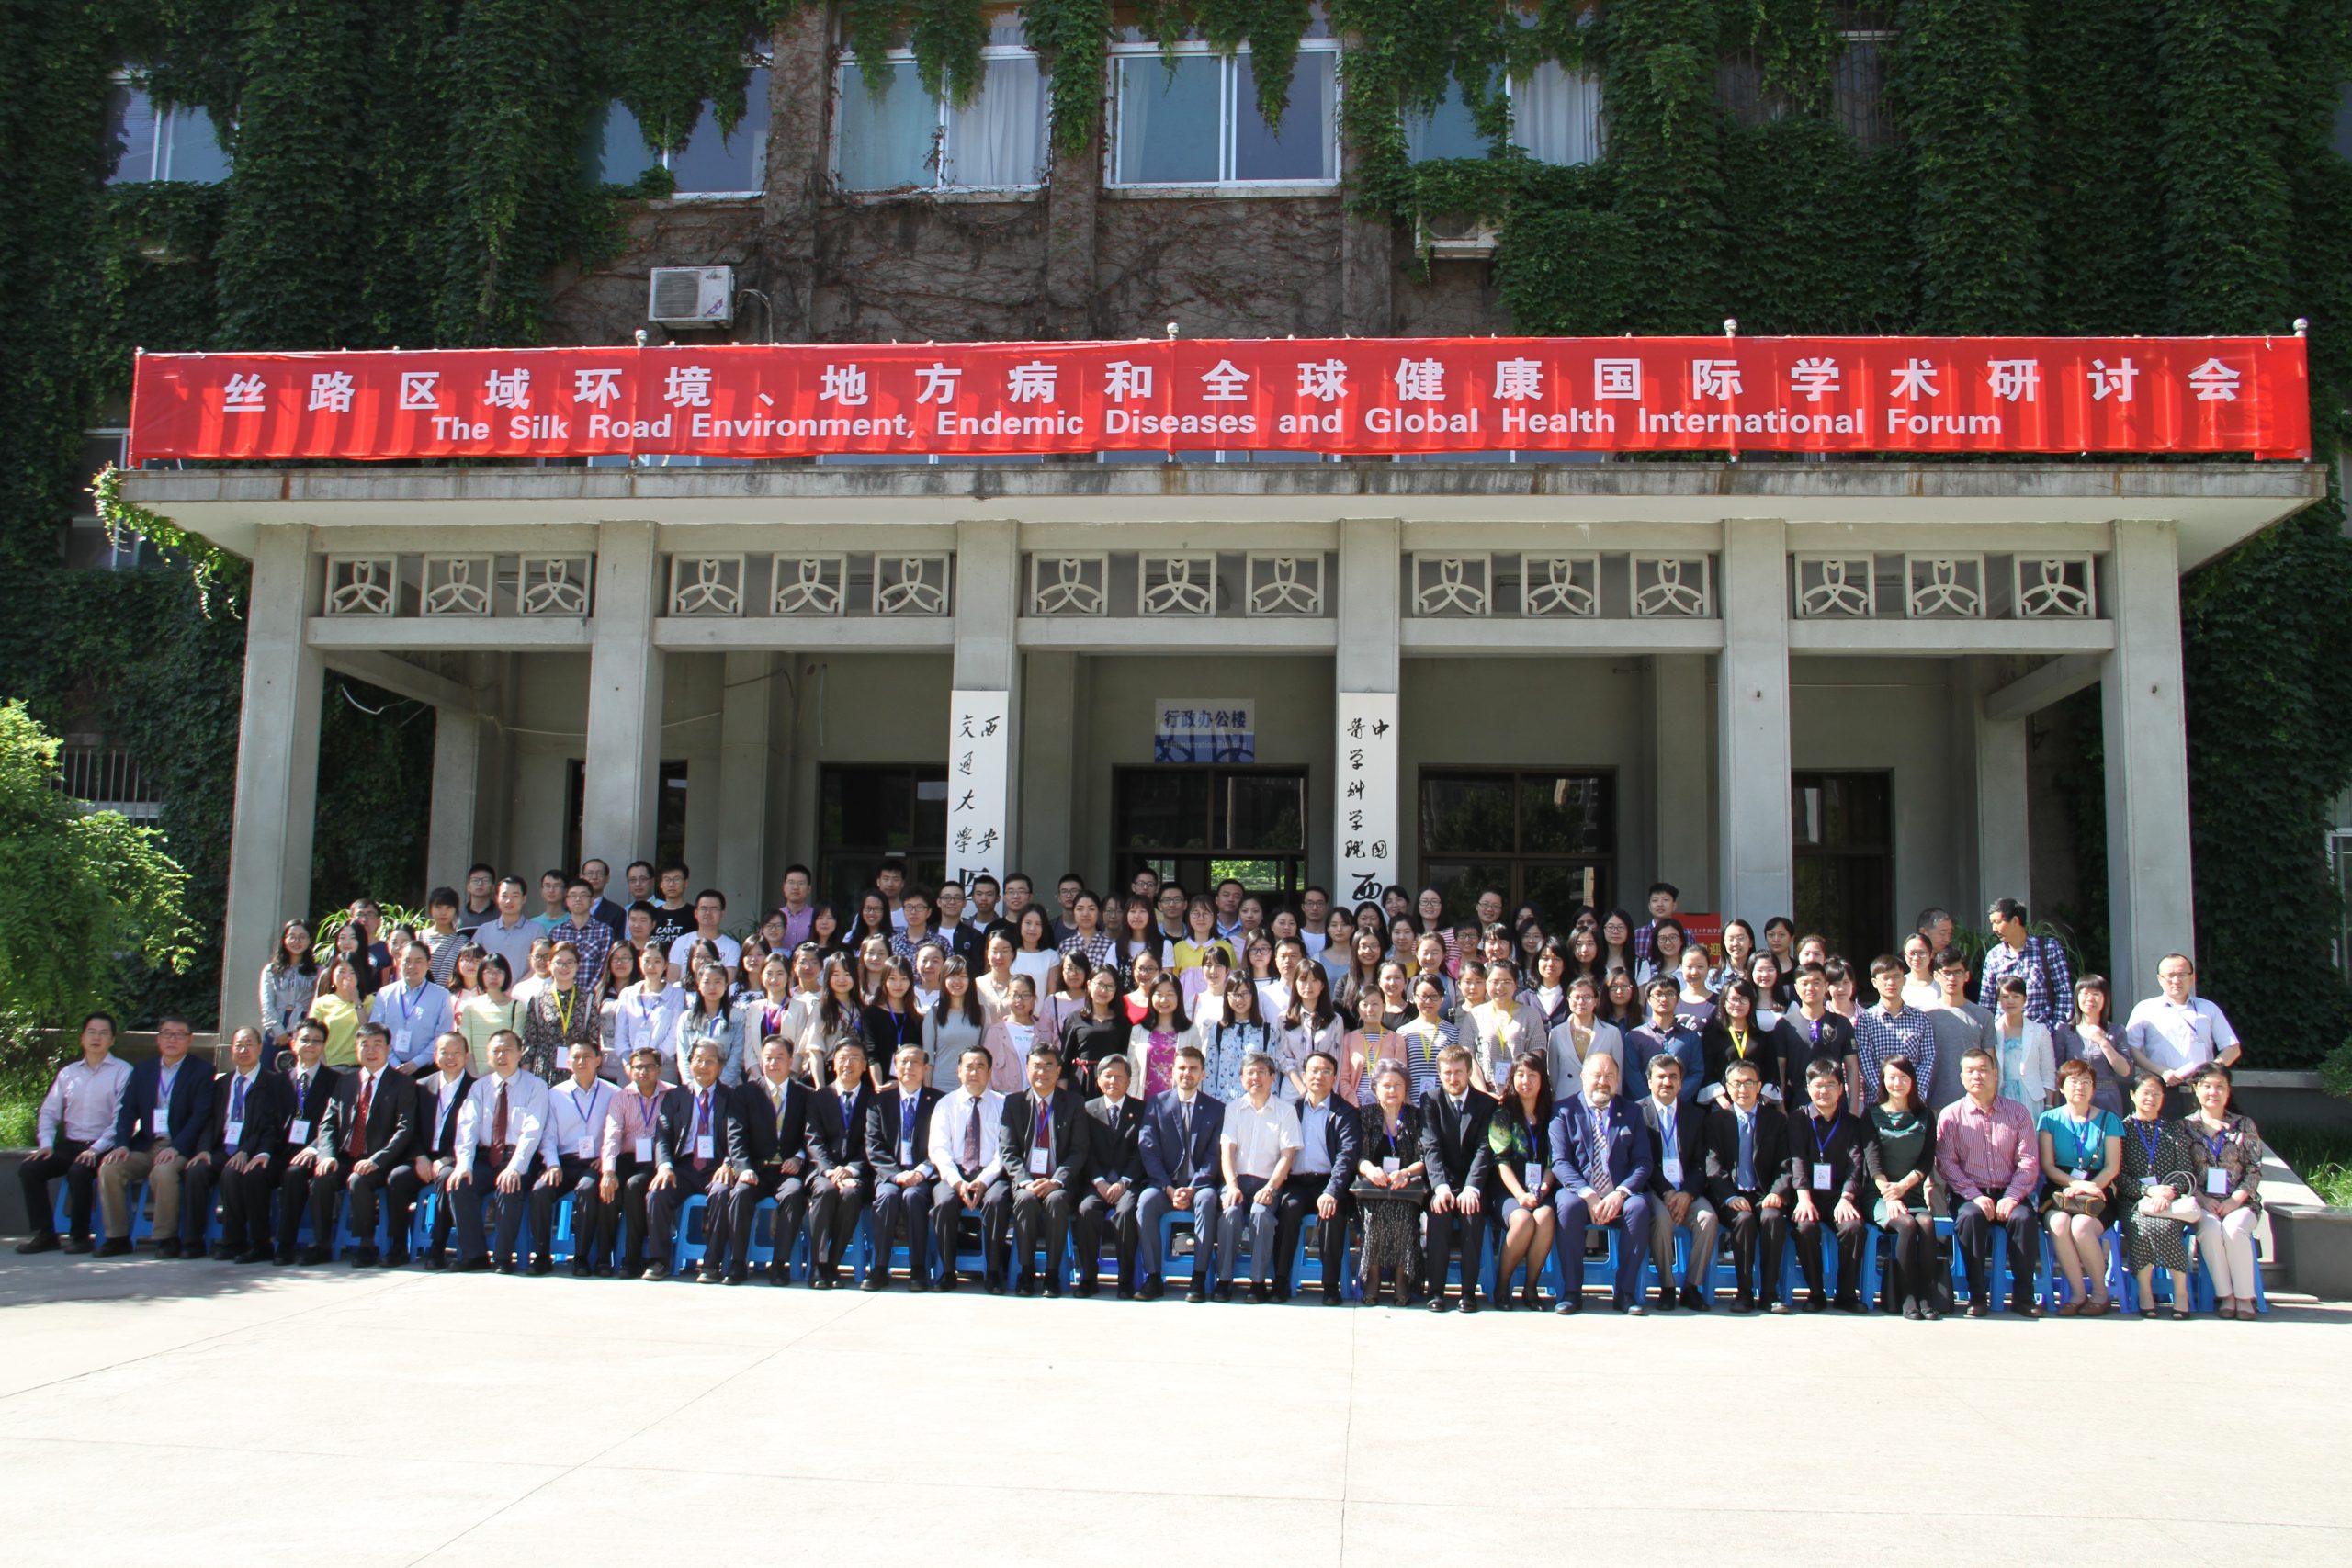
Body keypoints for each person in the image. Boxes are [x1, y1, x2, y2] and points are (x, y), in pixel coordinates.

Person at [286, 1021, 418, 1266]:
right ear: (357, 1049)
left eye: (377, 1045)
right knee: (321, 1179)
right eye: (364, 1045)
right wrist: (327, 1155)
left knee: (360, 1181)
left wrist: (376, 1160)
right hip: (347, 1156)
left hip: (382, 1160)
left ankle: (365, 1245)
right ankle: (321, 1244)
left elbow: (404, 1129)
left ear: (388, 1049)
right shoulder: (346, 1082)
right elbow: (327, 1123)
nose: (371, 1050)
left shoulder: (403, 1084)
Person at [1934, 1045, 2042, 1317]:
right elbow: (1946, 1163)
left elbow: (2028, 1161)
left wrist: (2012, 1195)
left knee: (2024, 1219)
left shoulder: (2018, 1113)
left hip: (2010, 1192)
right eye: (1970, 1071)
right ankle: (1977, 1296)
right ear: (1961, 1078)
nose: (1977, 1076)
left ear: (1996, 1074)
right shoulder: (1951, 1115)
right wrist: (1974, 1195)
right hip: (1969, 1194)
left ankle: (2023, 1297)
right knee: (1970, 1218)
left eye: (1983, 1070)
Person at [95, 1016, 212, 1257]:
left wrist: (177, 1147)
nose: (172, 1039)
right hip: (147, 1144)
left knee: (164, 1172)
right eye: (167, 1033)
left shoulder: (201, 1071)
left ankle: (166, 1238)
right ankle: (117, 1237)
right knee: (110, 1168)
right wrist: (122, 1144)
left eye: (179, 1034)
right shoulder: (143, 1070)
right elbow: (127, 1111)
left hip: (180, 1145)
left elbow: (200, 1117)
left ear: (189, 1040)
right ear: (158, 1039)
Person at [1547, 1052, 1651, 1315]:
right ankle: (1572, 1292)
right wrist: (1589, 1195)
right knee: (1567, 1206)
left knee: (1638, 1208)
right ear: (1583, 1077)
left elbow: (1643, 1162)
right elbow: (1560, 1162)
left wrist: (1620, 1193)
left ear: (1618, 1081)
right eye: (1597, 1075)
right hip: (1580, 1193)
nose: (1603, 1082)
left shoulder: (1632, 1112)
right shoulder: (1563, 1111)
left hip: (1619, 1192)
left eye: (1609, 1076)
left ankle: (1625, 1293)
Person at [447, 1030, 548, 1273]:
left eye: (507, 1050)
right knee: (460, 1184)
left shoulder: (536, 1086)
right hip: (485, 1155)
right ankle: (474, 1254)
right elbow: (467, 1127)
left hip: (518, 1157)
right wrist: (464, 1164)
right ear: (488, 1056)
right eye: (496, 1051)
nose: (501, 1055)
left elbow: (532, 1131)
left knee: (510, 1185)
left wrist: (515, 1167)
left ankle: (503, 1257)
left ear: (520, 1052)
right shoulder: (479, 1088)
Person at [716, 1037, 811, 1285]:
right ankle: (737, 1263)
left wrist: (800, 1158)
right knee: (739, 1194)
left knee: (794, 1194)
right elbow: (735, 1135)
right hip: (756, 1169)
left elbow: (812, 1136)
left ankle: (779, 1265)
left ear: (791, 1061)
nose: (773, 1062)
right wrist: (744, 1168)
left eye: (779, 1057)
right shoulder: (746, 1092)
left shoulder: (805, 1095)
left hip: (787, 1172)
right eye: (768, 1057)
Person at [1702, 1059, 1792, 1314]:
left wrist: (1776, 1193)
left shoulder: (1776, 1121)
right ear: (1728, 1088)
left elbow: (1786, 1165)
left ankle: (1770, 1293)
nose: (1743, 1089)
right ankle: (1743, 1293)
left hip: (1764, 1193)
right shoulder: (1717, 1121)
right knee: (1743, 1220)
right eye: (1737, 1084)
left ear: (1759, 1086)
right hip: (1732, 1195)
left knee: (1773, 1218)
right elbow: (1713, 1165)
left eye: (1749, 1083)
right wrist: (1729, 1197)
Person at [1136, 1044, 1226, 1303]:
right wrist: (1167, 1187)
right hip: (1165, 1185)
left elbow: (1214, 1156)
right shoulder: (1156, 1104)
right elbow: (1148, 1149)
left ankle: (1198, 1278)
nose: (1187, 1073)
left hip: (1199, 1186)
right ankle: (1153, 1277)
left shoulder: (1216, 1109)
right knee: (1145, 1202)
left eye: (1193, 1069)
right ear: (1172, 1072)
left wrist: (1193, 1188)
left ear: (1203, 1074)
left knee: (1208, 1201)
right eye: (1182, 1068)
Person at [639, 1040, 734, 1281]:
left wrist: (728, 1163)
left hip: (716, 1167)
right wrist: (664, 1166)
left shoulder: (732, 1097)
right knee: (656, 1193)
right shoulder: (675, 1097)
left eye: (710, 1061)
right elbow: (662, 1135)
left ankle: (711, 1264)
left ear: (721, 1066)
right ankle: (659, 1261)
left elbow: (739, 1136)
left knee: (723, 1193)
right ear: (690, 1063)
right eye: (698, 1060)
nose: (703, 1066)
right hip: (683, 1166)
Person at [1214, 1051, 1302, 1302]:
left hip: (1267, 1182)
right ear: (1241, 1079)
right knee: (1230, 1213)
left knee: (1261, 1215)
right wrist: (1231, 1186)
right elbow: (1227, 1151)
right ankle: (1224, 1280)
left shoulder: (1286, 1111)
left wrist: (1272, 1188)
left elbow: (1287, 1156)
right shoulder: (1233, 1109)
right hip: (1238, 1180)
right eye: (1250, 1073)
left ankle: (1258, 1282)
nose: (1256, 1078)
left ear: (1273, 1077)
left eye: (1261, 1072)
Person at [2036, 1058, 2122, 1314]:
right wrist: (2074, 1184)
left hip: (2099, 1189)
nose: (2080, 1087)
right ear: (2061, 1087)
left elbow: (2112, 1167)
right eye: (2073, 1081)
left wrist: (2088, 1187)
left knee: (2082, 1226)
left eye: (2086, 1082)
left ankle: (2099, 1292)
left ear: (2094, 1088)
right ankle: (2077, 1293)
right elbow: (2048, 1165)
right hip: (2059, 1188)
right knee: (2060, 1224)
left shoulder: (2109, 1120)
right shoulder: (2048, 1119)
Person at [997, 1043, 1085, 1296]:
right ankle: (1026, 1272)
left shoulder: (1074, 1103)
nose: (1042, 1072)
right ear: (1027, 1069)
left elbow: (1079, 1150)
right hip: (1026, 1181)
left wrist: (1057, 1180)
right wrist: (1025, 1181)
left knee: (1056, 1201)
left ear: (1059, 1071)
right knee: (1024, 1201)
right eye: (1037, 1066)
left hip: (1058, 1182)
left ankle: (1052, 1274)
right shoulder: (1014, 1103)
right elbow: (1008, 1151)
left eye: (1049, 1066)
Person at [1272, 1049, 1357, 1306]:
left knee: (1333, 1213)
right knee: (1288, 1209)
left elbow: (1347, 1157)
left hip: (1329, 1182)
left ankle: (1330, 1285)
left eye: (1326, 1071)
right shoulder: (1290, 1110)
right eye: (1314, 1071)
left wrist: (1332, 1191)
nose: (1319, 1076)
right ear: (1304, 1075)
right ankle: (1280, 1281)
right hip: (1296, 1182)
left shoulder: (1346, 1113)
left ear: (1334, 1078)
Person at [386, 1032, 477, 1269]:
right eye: (444, 1052)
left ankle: (437, 1247)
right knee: (397, 1178)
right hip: (421, 1156)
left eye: (456, 1052)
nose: (450, 1057)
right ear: (435, 1056)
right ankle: (397, 1245)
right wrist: (419, 1157)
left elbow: (473, 1132)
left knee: (447, 1178)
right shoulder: (420, 1086)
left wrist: (446, 1159)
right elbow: (408, 1127)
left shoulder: (476, 1088)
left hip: (453, 1158)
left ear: (466, 1056)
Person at [1785, 1056, 1869, 1313]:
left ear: (1841, 1089)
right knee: (1805, 1227)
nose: (1824, 1091)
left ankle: (1846, 1294)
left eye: (1831, 1085)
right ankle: (1816, 1293)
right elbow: (1796, 1159)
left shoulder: (1852, 1122)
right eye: (1818, 1085)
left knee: (1854, 1227)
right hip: (1806, 1194)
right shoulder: (1798, 1119)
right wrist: (1804, 1198)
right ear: (1808, 1088)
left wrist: (1847, 1198)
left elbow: (1857, 1163)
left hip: (1838, 1195)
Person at [1861, 1055, 1941, 1320]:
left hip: (1912, 1191)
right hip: (1879, 1193)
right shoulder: (1872, 1114)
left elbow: (1926, 1159)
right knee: (1906, 1224)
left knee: (1927, 1224)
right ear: (1883, 1081)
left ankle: (1925, 1294)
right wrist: (1889, 1193)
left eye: (1903, 1077)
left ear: (1912, 1080)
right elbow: (1871, 1160)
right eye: (1892, 1077)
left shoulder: (1925, 1115)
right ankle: (1908, 1296)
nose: (1897, 1083)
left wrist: (1904, 1187)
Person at [1419, 1044, 1497, 1314]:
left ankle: (1468, 1293)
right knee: (1438, 1216)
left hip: (1473, 1182)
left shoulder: (1486, 1104)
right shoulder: (1430, 1100)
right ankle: (1436, 1291)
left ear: (1469, 1072)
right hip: (1443, 1181)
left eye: (1459, 1073)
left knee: (1472, 1218)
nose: (1453, 1078)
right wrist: (1440, 1187)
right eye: (1448, 1073)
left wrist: (1472, 1188)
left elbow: (1485, 1148)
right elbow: (1431, 1146)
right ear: (1440, 1074)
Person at [2183, 1064, 2265, 1319]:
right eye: (2206, 1086)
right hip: (2203, 1202)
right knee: (2210, 1229)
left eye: (2220, 1086)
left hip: (2241, 1202)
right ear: (2195, 1089)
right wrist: (2202, 1199)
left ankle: (2244, 1298)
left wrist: (2235, 1200)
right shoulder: (2184, 1127)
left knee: (2233, 1229)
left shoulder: (2243, 1124)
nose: (2213, 1092)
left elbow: (2254, 1169)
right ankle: (2226, 1296)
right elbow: (2183, 1172)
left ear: (2228, 1091)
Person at [927, 1044, 1011, 1292]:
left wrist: (984, 1180)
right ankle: (948, 1271)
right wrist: (957, 1182)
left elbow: (1004, 1151)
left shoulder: (1003, 1104)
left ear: (990, 1072)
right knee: (943, 1202)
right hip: (955, 1174)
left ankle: (994, 1272)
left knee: (997, 1202)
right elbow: (938, 1150)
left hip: (991, 1175)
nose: (974, 1072)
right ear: (959, 1072)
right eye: (969, 1067)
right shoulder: (945, 1104)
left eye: (980, 1067)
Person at [174, 1027, 262, 1260]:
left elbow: (268, 1126)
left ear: (260, 1048)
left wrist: (246, 1151)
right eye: (238, 1045)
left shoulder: (269, 1083)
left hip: (249, 1150)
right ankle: (192, 1241)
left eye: (248, 1044)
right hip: (222, 1147)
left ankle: (233, 1241)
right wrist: (203, 1150)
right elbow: (210, 1121)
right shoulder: (222, 1084)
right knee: (195, 1171)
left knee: (232, 1174)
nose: (243, 1050)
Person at [2116, 1070, 2199, 1319]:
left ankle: (2181, 1293)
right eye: (2145, 1093)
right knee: (2143, 1226)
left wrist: (2169, 1192)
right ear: (2132, 1095)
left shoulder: (2173, 1131)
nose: (2150, 1098)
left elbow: (2185, 1170)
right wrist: (2146, 1191)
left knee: (2166, 1226)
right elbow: (2117, 1174)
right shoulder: (2122, 1130)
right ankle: (2145, 1291)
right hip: (2134, 1201)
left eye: (2156, 1093)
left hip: (2168, 1201)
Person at [1637, 1053, 1715, 1313]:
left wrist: (1688, 1194)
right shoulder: (1637, 1113)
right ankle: (1667, 1287)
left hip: (1688, 1191)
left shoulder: (1696, 1115)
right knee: (1660, 1219)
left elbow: (1703, 1162)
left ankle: (1692, 1287)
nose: (1667, 1082)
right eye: (1660, 1077)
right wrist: (1668, 1192)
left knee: (1708, 1218)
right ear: (1649, 1082)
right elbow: (1642, 1161)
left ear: (1681, 1083)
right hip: (1655, 1191)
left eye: (1673, 1077)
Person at [863, 1043, 943, 1291]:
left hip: (923, 1176)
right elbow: (873, 1145)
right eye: (903, 1062)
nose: (909, 1067)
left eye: (915, 1062)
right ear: (895, 1067)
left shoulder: (938, 1101)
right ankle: (879, 1267)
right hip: (890, 1175)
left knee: (914, 1197)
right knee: (886, 1197)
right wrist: (896, 1175)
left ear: (926, 1068)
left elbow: (943, 1143)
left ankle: (917, 1269)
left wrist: (922, 1171)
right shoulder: (879, 1102)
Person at [533, 1038, 616, 1277]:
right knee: (540, 1190)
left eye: (587, 1057)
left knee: (588, 1189)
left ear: (598, 1061)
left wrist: (607, 1158)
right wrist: (552, 1164)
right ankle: (541, 1256)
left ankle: (581, 1257)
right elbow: (547, 1135)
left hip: (594, 1163)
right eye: (576, 1058)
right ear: (567, 1062)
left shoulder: (613, 1093)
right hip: (563, 1161)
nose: (581, 1062)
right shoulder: (555, 1094)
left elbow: (617, 1132)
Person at [264, 1021, 342, 1263]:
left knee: (294, 1174)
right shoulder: (277, 1081)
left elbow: (337, 1122)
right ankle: (257, 1242)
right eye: (305, 1039)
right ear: (293, 1042)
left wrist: (314, 1147)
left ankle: (285, 1245)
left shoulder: (336, 1081)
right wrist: (263, 1153)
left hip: (313, 1151)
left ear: (323, 1046)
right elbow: (267, 1122)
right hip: (281, 1149)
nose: (310, 1045)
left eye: (316, 1040)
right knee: (254, 1174)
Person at [1352, 1061, 1427, 1306]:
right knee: (1374, 1214)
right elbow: (1357, 1156)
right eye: (1386, 1086)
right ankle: (1372, 1275)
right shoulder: (1366, 1115)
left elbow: (1425, 1158)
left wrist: (1406, 1172)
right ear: (1375, 1088)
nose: (1392, 1090)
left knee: (1404, 1213)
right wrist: (1370, 1169)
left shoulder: (1416, 1117)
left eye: (1398, 1085)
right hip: (1373, 1188)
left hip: (1405, 1189)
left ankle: (1402, 1277)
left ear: (1406, 1088)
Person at [1486, 1050, 1556, 1312]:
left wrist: (1545, 1187)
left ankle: (1531, 1287)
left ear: (1542, 1080)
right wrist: (1520, 1196)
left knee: (1545, 1216)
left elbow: (1555, 1161)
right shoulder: (1503, 1114)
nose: (1525, 1081)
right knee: (1523, 1219)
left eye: (1532, 1075)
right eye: (1520, 1075)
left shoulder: (1552, 1114)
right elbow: (1501, 1161)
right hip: (1508, 1189)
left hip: (1541, 1187)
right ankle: (1503, 1286)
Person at [2125, 953, 2243, 1106]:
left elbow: (2232, 1048)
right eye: (2170, 975)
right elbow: (2131, 1049)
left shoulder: (2208, 1008)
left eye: (2182, 974)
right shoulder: (2145, 1009)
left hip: (2201, 1089)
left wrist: (2209, 1072)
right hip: (2162, 1088)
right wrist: (2162, 1072)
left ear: (2192, 977)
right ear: (2160, 979)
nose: (2176, 980)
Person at [803, 1040, 875, 1289]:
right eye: (843, 1057)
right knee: (825, 1191)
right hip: (825, 1170)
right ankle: (818, 1265)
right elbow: (813, 1139)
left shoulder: (873, 1099)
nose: (848, 1063)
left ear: (864, 1065)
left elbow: (873, 1143)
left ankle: (832, 1263)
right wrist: (831, 1170)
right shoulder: (819, 1097)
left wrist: (853, 1168)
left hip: (859, 1172)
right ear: (833, 1064)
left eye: (855, 1057)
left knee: (851, 1193)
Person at [1075, 1053, 1145, 1299]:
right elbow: (1084, 1150)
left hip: (1128, 1184)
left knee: (1126, 1213)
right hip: (1097, 1183)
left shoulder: (1142, 1109)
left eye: (1119, 1076)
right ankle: (1088, 1278)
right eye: (1108, 1075)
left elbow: (1142, 1152)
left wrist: (1124, 1182)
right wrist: (1100, 1181)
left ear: (1129, 1080)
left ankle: (1125, 1280)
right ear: (1098, 1079)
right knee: (1086, 1210)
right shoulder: (1086, 1110)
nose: (1113, 1081)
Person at [1979, 898, 2074, 1031]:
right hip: (2004, 1036)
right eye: (1992, 923)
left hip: (2042, 1034)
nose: (1994, 929)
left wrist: (2056, 1030)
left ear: (2015, 921)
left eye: (1998, 922)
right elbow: (1986, 1002)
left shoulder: (2048, 948)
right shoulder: (1994, 956)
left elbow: (2064, 992)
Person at [1923, 948, 1995, 1112]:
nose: (1952, 978)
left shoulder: (1983, 1016)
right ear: (1936, 976)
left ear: (1967, 976)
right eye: (1946, 972)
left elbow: (1991, 1062)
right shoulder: (1925, 1016)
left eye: (1958, 972)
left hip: (1977, 1103)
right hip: (1935, 1101)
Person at [521, 941, 602, 1082]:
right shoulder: (538, 999)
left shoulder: (587, 1000)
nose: (564, 967)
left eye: (570, 962)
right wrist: (526, 1077)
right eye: (559, 962)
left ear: (577, 965)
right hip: (544, 1070)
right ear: (550, 965)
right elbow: (530, 1041)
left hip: (577, 1069)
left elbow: (593, 1039)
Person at [2053, 974, 2132, 1118]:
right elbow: (2056, 1070)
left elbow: (2125, 1070)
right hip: (2074, 1098)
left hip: (2107, 1098)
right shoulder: (2064, 1031)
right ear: (2077, 997)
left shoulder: (2116, 1031)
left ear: (2105, 999)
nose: (2090, 999)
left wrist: (2103, 1042)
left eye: (2096, 994)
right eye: (2085, 994)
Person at [371, 941, 456, 1075]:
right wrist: (394, 1063)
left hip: (426, 1069)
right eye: (407, 961)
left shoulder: (442, 996)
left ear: (429, 963)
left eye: (418, 961)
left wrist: (416, 1063)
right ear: (399, 962)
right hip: (389, 1067)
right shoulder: (385, 993)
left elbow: (443, 1035)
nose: (412, 966)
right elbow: (376, 1032)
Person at [1625, 977, 1703, 1105]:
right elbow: (1633, 1075)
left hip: (1681, 1109)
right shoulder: (1635, 1036)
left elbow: (1696, 1073)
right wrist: (1652, 1102)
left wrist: (1674, 1099)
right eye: (1658, 994)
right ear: (1649, 1000)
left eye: (1670, 994)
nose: (1664, 999)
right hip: (1644, 1111)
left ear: (1678, 999)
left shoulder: (1691, 1037)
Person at [1988, 975, 2058, 1111]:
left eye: (2016, 996)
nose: (2011, 1001)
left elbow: (2048, 1071)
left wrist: (2049, 1104)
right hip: (2001, 1096)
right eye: (2005, 996)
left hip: (2031, 1097)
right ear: (1999, 1000)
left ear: (2024, 999)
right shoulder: (1993, 1031)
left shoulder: (2039, 1031)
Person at [458, 954, 526, 1076]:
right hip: (473, 1075)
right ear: (481, 975)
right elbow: (466, 1045)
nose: (494, 976)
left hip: (504, 1073)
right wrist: (475, 1076)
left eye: (499, 972)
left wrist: (488, 1073)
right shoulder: (471, 1006)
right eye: (488, 972)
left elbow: (515, 1044)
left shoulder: (516, 1007)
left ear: (506, 975)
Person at [260, 919, 319, 1050]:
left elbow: (318, 1003)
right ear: (284, 939)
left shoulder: (318, 971)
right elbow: (267, 1004)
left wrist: (304, 1030)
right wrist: (278, 1031)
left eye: (302, 937)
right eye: (292, 937)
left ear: (310, 940)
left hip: (305, 1025)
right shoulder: (271, 970)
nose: (297, 941)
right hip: (276, 1024)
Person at [472, 875, 543, 981]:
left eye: (515, 896)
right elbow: (474, 963)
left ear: (524, 898)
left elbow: (539, 966)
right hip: (488, 994)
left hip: (523, 995)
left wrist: (514, 991)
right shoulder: (484, 930)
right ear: (497, 898)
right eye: (504, 896)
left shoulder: (537, 930)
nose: (509, 901)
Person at [305, 956, 366, 1067]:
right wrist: (325, 1069)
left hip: (358, 1067)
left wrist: (357, 1001)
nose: (347, 976)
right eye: (341, 971)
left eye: (352, 972)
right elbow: (313, 1036)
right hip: (330, 1066)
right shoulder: (321, 1002)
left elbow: (367, 1031)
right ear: (332, 974)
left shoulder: (370, 1001)